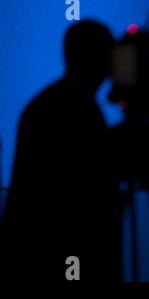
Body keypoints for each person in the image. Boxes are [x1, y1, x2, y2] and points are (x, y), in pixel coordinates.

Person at [0, 20, 123, 282]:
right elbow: (86, 196)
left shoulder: (43, 104)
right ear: (97, 57)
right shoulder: (79, 110)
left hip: (30, 256)